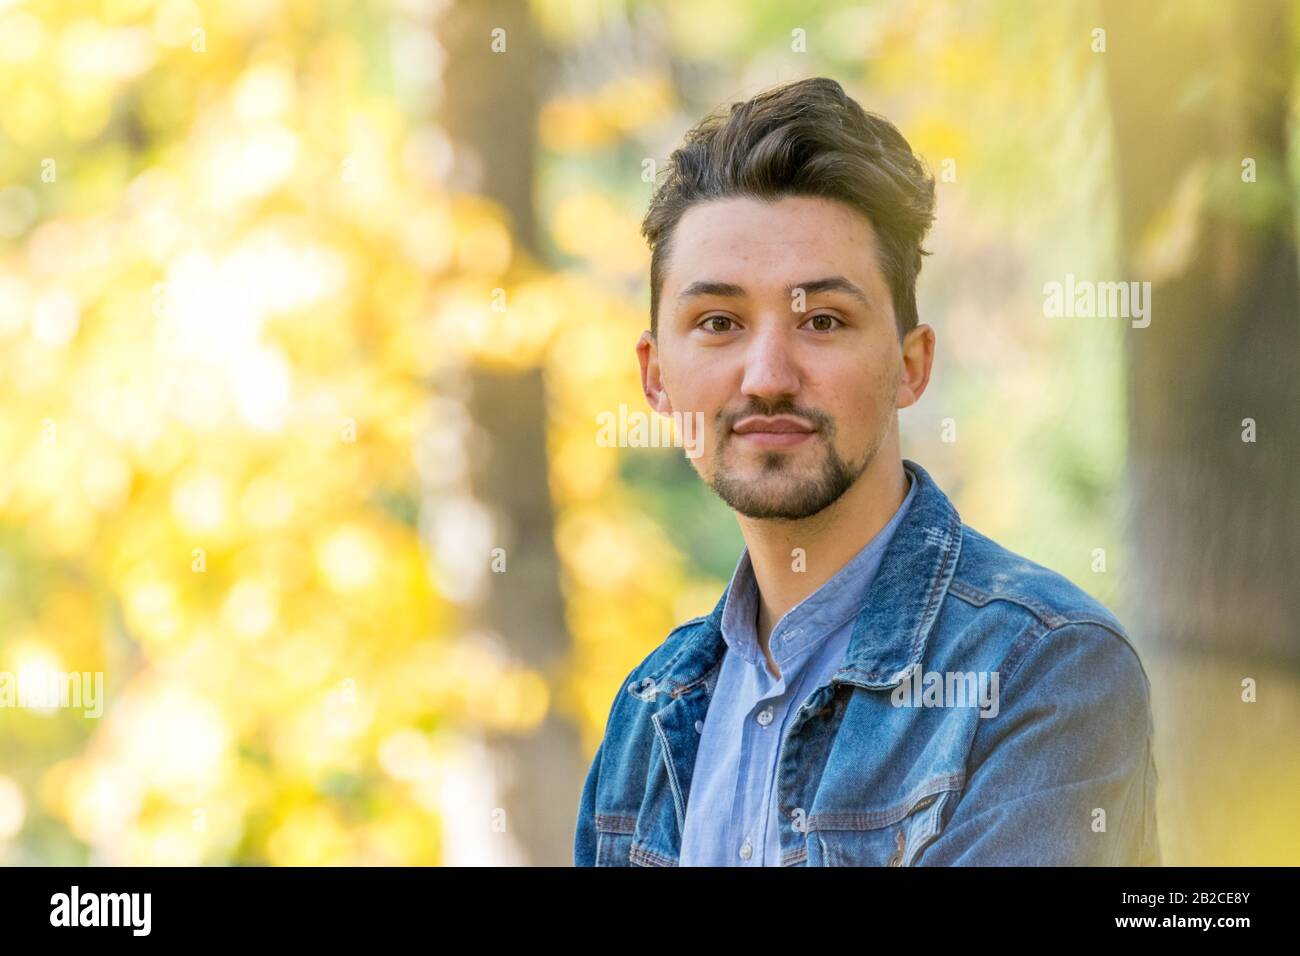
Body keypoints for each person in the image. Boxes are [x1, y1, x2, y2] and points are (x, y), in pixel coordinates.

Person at [573, 76, 1160, 867]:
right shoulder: (647, 716)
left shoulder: (1041, 671)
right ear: (655, 378)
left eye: (822, 321)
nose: (767, 376)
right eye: (718, 323)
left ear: (910, 367)